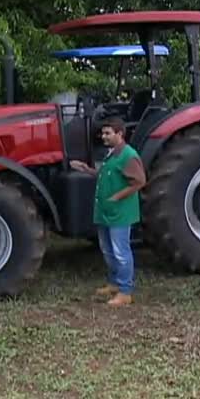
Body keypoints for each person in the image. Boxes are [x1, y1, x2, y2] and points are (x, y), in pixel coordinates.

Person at [70, 117, 146, 306]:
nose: (103, 137)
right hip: (105, 211)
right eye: (102, 133)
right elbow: (106, 175)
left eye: (107, 133)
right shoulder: (111, 154)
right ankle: (114, 283)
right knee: (107, 249)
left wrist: (117, 197)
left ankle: (125, 292)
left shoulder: (129, 155)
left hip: (119, 212)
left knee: (121, 251)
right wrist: (86, 169)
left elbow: (139, 181)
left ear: (120, 134)